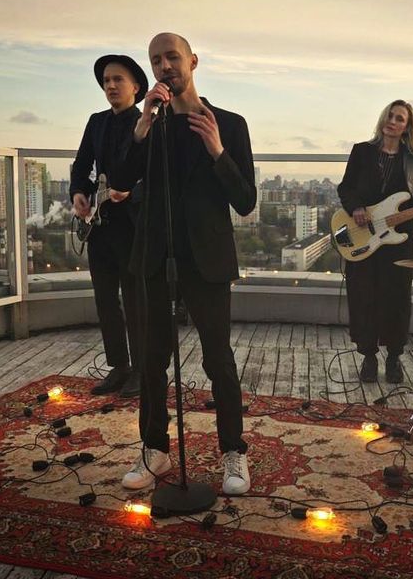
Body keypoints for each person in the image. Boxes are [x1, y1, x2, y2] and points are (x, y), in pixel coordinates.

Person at [113, 33, 257, 495]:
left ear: (192, 61)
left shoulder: (229, 124)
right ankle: (155, 448)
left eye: (172, 56)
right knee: (152, 358)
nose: (164, 66)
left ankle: (233, 450)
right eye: (155, 60)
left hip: (207, 258)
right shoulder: (148, 125)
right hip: (154, 256)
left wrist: (217, 150)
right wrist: (140, 127)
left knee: (219, 358)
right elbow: (119, 183)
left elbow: (245, 200)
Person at [337, 100, 413, 384]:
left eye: (399, 118)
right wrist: (356, 207)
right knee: (363, 296)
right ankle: (368, 356)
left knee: (396, 298)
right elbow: (346, 187)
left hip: (398, 242)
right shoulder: (362, 151)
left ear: (407, 127)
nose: (392, 121)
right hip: (363, 234)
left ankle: (393, 357)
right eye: (390, 115)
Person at [71, 54, 148, 399]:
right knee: (105, 299)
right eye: (106, 81)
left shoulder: (147, 123)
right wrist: (78, 194)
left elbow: (153, 176)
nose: (111, 86)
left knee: (135, 301)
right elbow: (81, 166)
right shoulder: (96, 122)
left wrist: (131, 193)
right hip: (100, 225)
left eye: (118, 80)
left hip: (132, 226)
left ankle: (142, 370)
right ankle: (119, 366)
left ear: (136, 87)